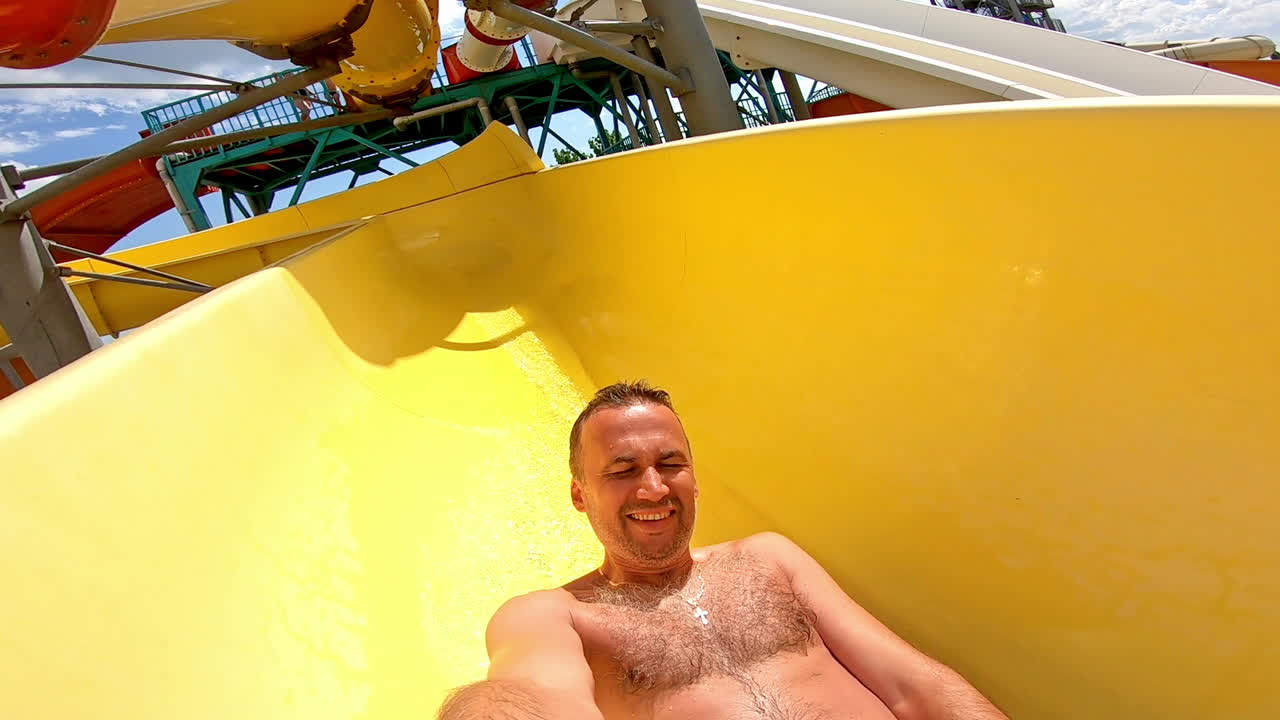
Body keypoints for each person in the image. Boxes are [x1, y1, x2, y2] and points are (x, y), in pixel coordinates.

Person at [439, 381, 1009, 720]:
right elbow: (526, 696)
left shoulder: (769, 558)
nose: (653, 489)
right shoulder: (555, 615)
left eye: (670, 464)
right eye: (622, 470)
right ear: (580, 495)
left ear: (694, 478)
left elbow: (915, 685)